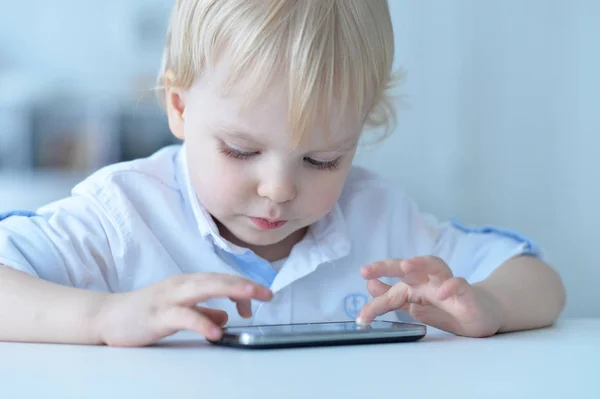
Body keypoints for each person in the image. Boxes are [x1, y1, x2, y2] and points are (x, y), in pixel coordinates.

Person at [0, 0, 565, 347]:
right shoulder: (121, 214)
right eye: (241, 151)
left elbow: (540, 282)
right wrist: (104, 315)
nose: (279, 189)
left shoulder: (380, 219)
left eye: (323, 159)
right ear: (179, 106)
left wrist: (487, 307)